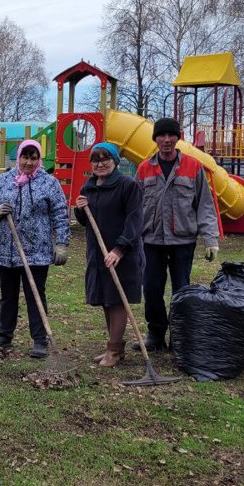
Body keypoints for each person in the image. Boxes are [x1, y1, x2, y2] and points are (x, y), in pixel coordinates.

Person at [0, 139, 70, 358]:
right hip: (5, 250)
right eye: (25, 157)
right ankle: (4, 334)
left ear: (39, 160)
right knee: (8, 295)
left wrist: (61, 243)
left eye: (33, 158)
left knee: (35, 294)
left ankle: (39, 340)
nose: (29, 162)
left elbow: (60, 213)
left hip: (36, 251)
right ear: (18, 157)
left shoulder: (49, 183)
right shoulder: (3, 181)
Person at [137, 117, 219, 351]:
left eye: (171, 135)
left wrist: (210, 240)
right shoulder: (144, 168)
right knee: (151, 288)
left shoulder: (193, 167)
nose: (166, 140)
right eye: (161, 136)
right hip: (152, 240)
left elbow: (204, 205)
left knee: (182, 290)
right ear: (155, 139)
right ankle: (155, 334)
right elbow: (135, 207)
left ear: (177, 138)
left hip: (183, 241)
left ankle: (180, 337)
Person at [74, 143, 145, 366]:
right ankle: (115, 347)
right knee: (106, 298)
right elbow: (86, 222)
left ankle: (114, 351)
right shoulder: (89, 187)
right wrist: (79, 209)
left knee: (117, 300)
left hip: (122, 252)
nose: (100, 163)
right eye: (96, 160)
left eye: (105, 159)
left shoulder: (128, 185)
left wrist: (119, 249)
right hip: (98, 252)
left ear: (115, 161)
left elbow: (135, 220)